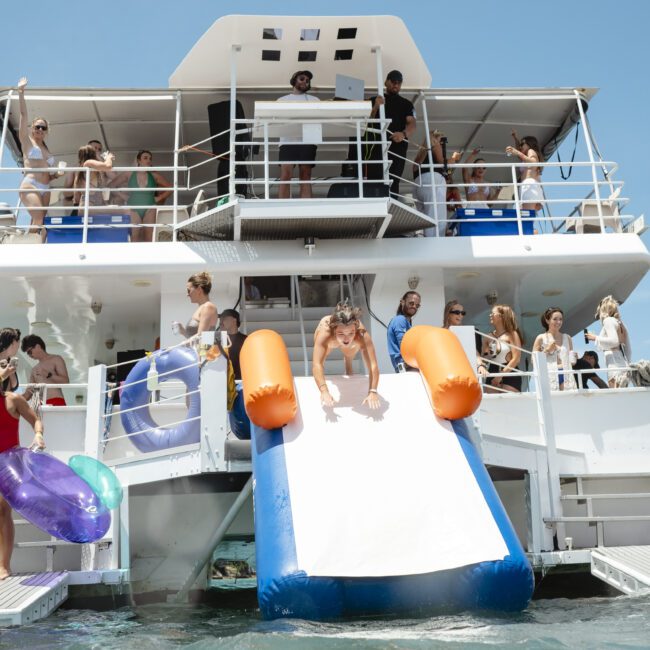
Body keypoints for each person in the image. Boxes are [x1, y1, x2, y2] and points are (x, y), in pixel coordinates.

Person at [0, 371, 45, 580]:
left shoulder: (13, 400)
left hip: (9, 463)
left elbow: (35, 420)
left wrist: (38, 435)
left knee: (1, 512)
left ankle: (4, 566)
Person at [313, 302, 380, 409]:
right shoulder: (325, 333)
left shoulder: (361, 334)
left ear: (355, 330)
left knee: (350, 350)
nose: (346, 338)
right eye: (341, 334)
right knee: (325, 353)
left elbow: (373, 365)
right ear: (334, 330)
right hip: (329, 334)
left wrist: (373, 391)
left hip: (349, 337)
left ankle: (348, 365)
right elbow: (317, 364)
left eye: (351, 333)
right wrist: (324, 391)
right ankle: (338, 339)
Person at [16, 77, 62, 232]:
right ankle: (31, 247)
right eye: (37, 127)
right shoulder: (27, 141)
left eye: (43, 128)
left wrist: (57, 175)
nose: (40, 130)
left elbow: (48, 175)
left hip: (45, 186)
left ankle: (33, 244)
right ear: (32, 128)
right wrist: (21, 92)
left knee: (40, 221)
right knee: (38, 218)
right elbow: (23, 115)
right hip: (31, 184)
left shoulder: (47, 150)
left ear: (46, 131)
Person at [366, 70, 416, 197]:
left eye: (399, 83)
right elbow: (365, 122)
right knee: (374, 179)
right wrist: (376, 107)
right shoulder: (373, 100)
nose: (396, 85)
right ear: (386, 82)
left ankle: (392, 205)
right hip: (376, 147)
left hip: (397, 148)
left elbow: (412, 124)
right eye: (393, 81)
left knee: (394, 180)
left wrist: (403, 134)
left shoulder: (406, 104)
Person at [111, 150, 172, 242]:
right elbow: (111, 186)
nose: (148, 160)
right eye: (145, 158)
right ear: (139, 161)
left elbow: (170, 187)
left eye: (150, 159)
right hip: (134, 208)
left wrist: (159, 198)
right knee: (134, 238)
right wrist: (123, 196)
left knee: (149, 238)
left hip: (150, 208)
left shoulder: (154, 175)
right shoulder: (129, 173)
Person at [277, 71, 320, 199]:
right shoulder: (282, 100)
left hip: (308, 140)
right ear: (294, 80)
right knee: (286, 175)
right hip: (287, 140)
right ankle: (281, 207)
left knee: (305, 175)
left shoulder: (314, 100)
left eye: (307, 80)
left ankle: (307, 208)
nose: (305, 82)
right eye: (302, 79)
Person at [412, 130, 462, 237]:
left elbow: (414, 168)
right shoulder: (435, 145)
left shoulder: (421, 152)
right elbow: (442, 163)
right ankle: (434, 242)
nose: (441, 143)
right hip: (432, 181)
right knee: (437, 215)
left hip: (418, 183)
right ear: (436, 138)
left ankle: (423, 237)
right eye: (441, 139)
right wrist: (454, 158)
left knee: (425, 215)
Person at [585, 295, 631, 388]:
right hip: (623, 364)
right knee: (622, 398)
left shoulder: (608, 321)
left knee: (615, 398)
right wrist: (628, 366)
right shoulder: (621, 324)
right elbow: (628, 350)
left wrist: (595, 338)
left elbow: (614, 341)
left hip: (614, 364)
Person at [481, 304, 523, 393]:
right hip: (492, 371)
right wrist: (483, 364)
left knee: (510, 405)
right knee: (492, 406)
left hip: (510, 372)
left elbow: (516, 359)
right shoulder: (487, 337)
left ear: (501, 316)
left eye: (493, 313)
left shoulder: (512, 334)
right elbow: (484, 358)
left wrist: (500, 375)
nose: (490, 315)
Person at [532, 308, 577, 391]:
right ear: (547, 320)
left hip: (566, 375)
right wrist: (547, 350)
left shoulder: (567, 338)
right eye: (555, 319)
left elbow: (572, 362)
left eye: (560, 319)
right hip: (549, 375)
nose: (558, 322)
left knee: (568, 400)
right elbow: (533, 360)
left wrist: (574, 357)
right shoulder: (540, 338)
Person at [443, 300, 487, 380]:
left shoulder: (466, 331)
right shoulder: (441, 332)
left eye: (462, 313)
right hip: (448, 372)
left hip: (465, 371)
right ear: (448, 314)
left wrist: (480, 365)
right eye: (457, 312)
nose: (460, 315)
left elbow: (474, 352)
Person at [20, 334, 70, 405]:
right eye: (27, 354)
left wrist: (49, 375)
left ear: (38, 346)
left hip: (56, 401)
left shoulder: (56, 359)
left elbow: (66, 381)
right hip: (40, 405)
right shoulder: (34, 369)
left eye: (29, 352)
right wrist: (11, 399)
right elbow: (28, 394)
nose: (29, 355)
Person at [505, 134, 544, 211]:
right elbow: (520, 152)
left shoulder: (531, 151)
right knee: (527, 216)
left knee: (526, 215)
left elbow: (533, 163)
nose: (520, 146)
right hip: (531, 186)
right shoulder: (527, 154)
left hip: (529, 185)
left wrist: (517, 152)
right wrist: (515, 138)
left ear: (530, 144)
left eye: (522, 144)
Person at [173, 271, 218, 338]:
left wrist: (178, 346)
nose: (187, 294)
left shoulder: (208, 307)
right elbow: (196, 339)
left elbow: (200, 338)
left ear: (199, 289)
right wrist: (183, 331)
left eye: (189, 290)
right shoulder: (202, 307)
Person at [73, 144, 115, 212]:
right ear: (92, 154)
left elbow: (76, 197)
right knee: (126, 211)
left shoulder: (81, 170)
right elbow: (108, 166)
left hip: (88, 206)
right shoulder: (88, 163)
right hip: (89, 206)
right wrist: (108, 158)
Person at [386, 291, 421, 371]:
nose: (414, 306)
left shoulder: (406, 322)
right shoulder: (400, 320)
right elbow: (404, 347)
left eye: (417, 305)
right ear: (402, 302)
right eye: (411, 303)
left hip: (407, 368)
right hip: (406, 369)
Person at [219, 309, 247, 380]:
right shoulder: (218, 340)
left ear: (234, 320)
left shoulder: (246, 340)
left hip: (241, 383)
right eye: (220, 319)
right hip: (222, 382)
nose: (221, 322)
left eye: (224, 319)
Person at [0, 328, 22, 393]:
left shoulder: (9, 362)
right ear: (13, 342)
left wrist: (10, 372)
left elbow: (14, 386)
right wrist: (5, 374)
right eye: (18, 342)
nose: (18, 346)